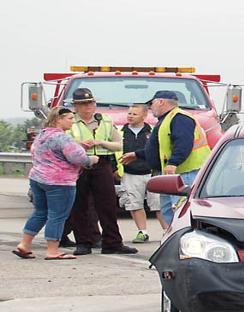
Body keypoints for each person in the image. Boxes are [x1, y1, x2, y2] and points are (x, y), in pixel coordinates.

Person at [11, 108, 98, 261]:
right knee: (57, 215)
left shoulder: (42, 135)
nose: (73, 121)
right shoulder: (62, 138)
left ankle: (24, 244)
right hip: (60, 182)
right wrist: (92, 159)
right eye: (70, 118)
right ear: (59, 119)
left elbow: (48, 152)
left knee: (40, 212)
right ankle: (52, 250)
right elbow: (79, 159)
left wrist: (78, 147)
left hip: (38, 178)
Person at [120, 90, 211, 230]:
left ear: (161, 102)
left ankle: (182, 239)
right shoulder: (168, 119)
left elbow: (183, 143)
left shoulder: (179, 118)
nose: (150, 108)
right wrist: (138, 154)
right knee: (168, 210)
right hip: (174, 174)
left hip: (185, 173)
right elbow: (162, 148)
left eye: (152, 104)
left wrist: (174, 162)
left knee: (180, 211)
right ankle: (173, 237)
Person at [65, 88, 137, 255]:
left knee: (107, 205)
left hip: (103, 164)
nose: (88, 106)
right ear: (75, 106)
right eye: (83, 104)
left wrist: (100, 142)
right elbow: (65, 144)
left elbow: (119, 144)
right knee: (79, 206)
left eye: (90, 102)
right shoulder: (70, 122)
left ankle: (112, 243)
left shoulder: (105, 120)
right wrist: (82, 144)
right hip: (79, 165)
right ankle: (83, 243)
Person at [117, 103, 167, 243]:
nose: (130, 116)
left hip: (152, 173)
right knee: (135, 204)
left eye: (134, 114)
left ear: (145, 115)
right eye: (129, 113)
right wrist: (116, 169)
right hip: (130, 173)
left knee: (158, 204)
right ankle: (142, 232)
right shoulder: (121, 132)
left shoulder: (152, 132)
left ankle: (167, 231)